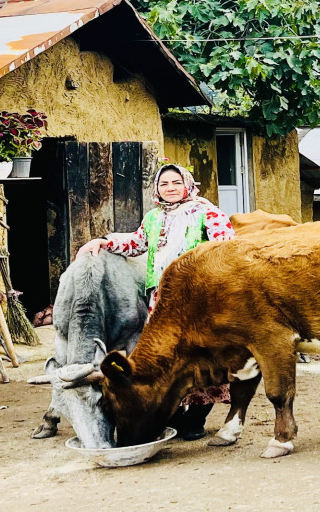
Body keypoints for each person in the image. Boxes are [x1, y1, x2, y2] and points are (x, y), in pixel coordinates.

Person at [78, 162, 236, 439]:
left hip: (198, 299)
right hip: (161, 301)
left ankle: (197, 418)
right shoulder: (153, 217)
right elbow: (136, 244)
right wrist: (104, 242)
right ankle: (173, 414)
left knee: (201, 355)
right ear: (157, 189)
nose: (170, 188)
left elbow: (226, 247)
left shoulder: (207, 212)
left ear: (187, 185)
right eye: (164, 184)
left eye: (176, 182)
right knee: (167, 357)